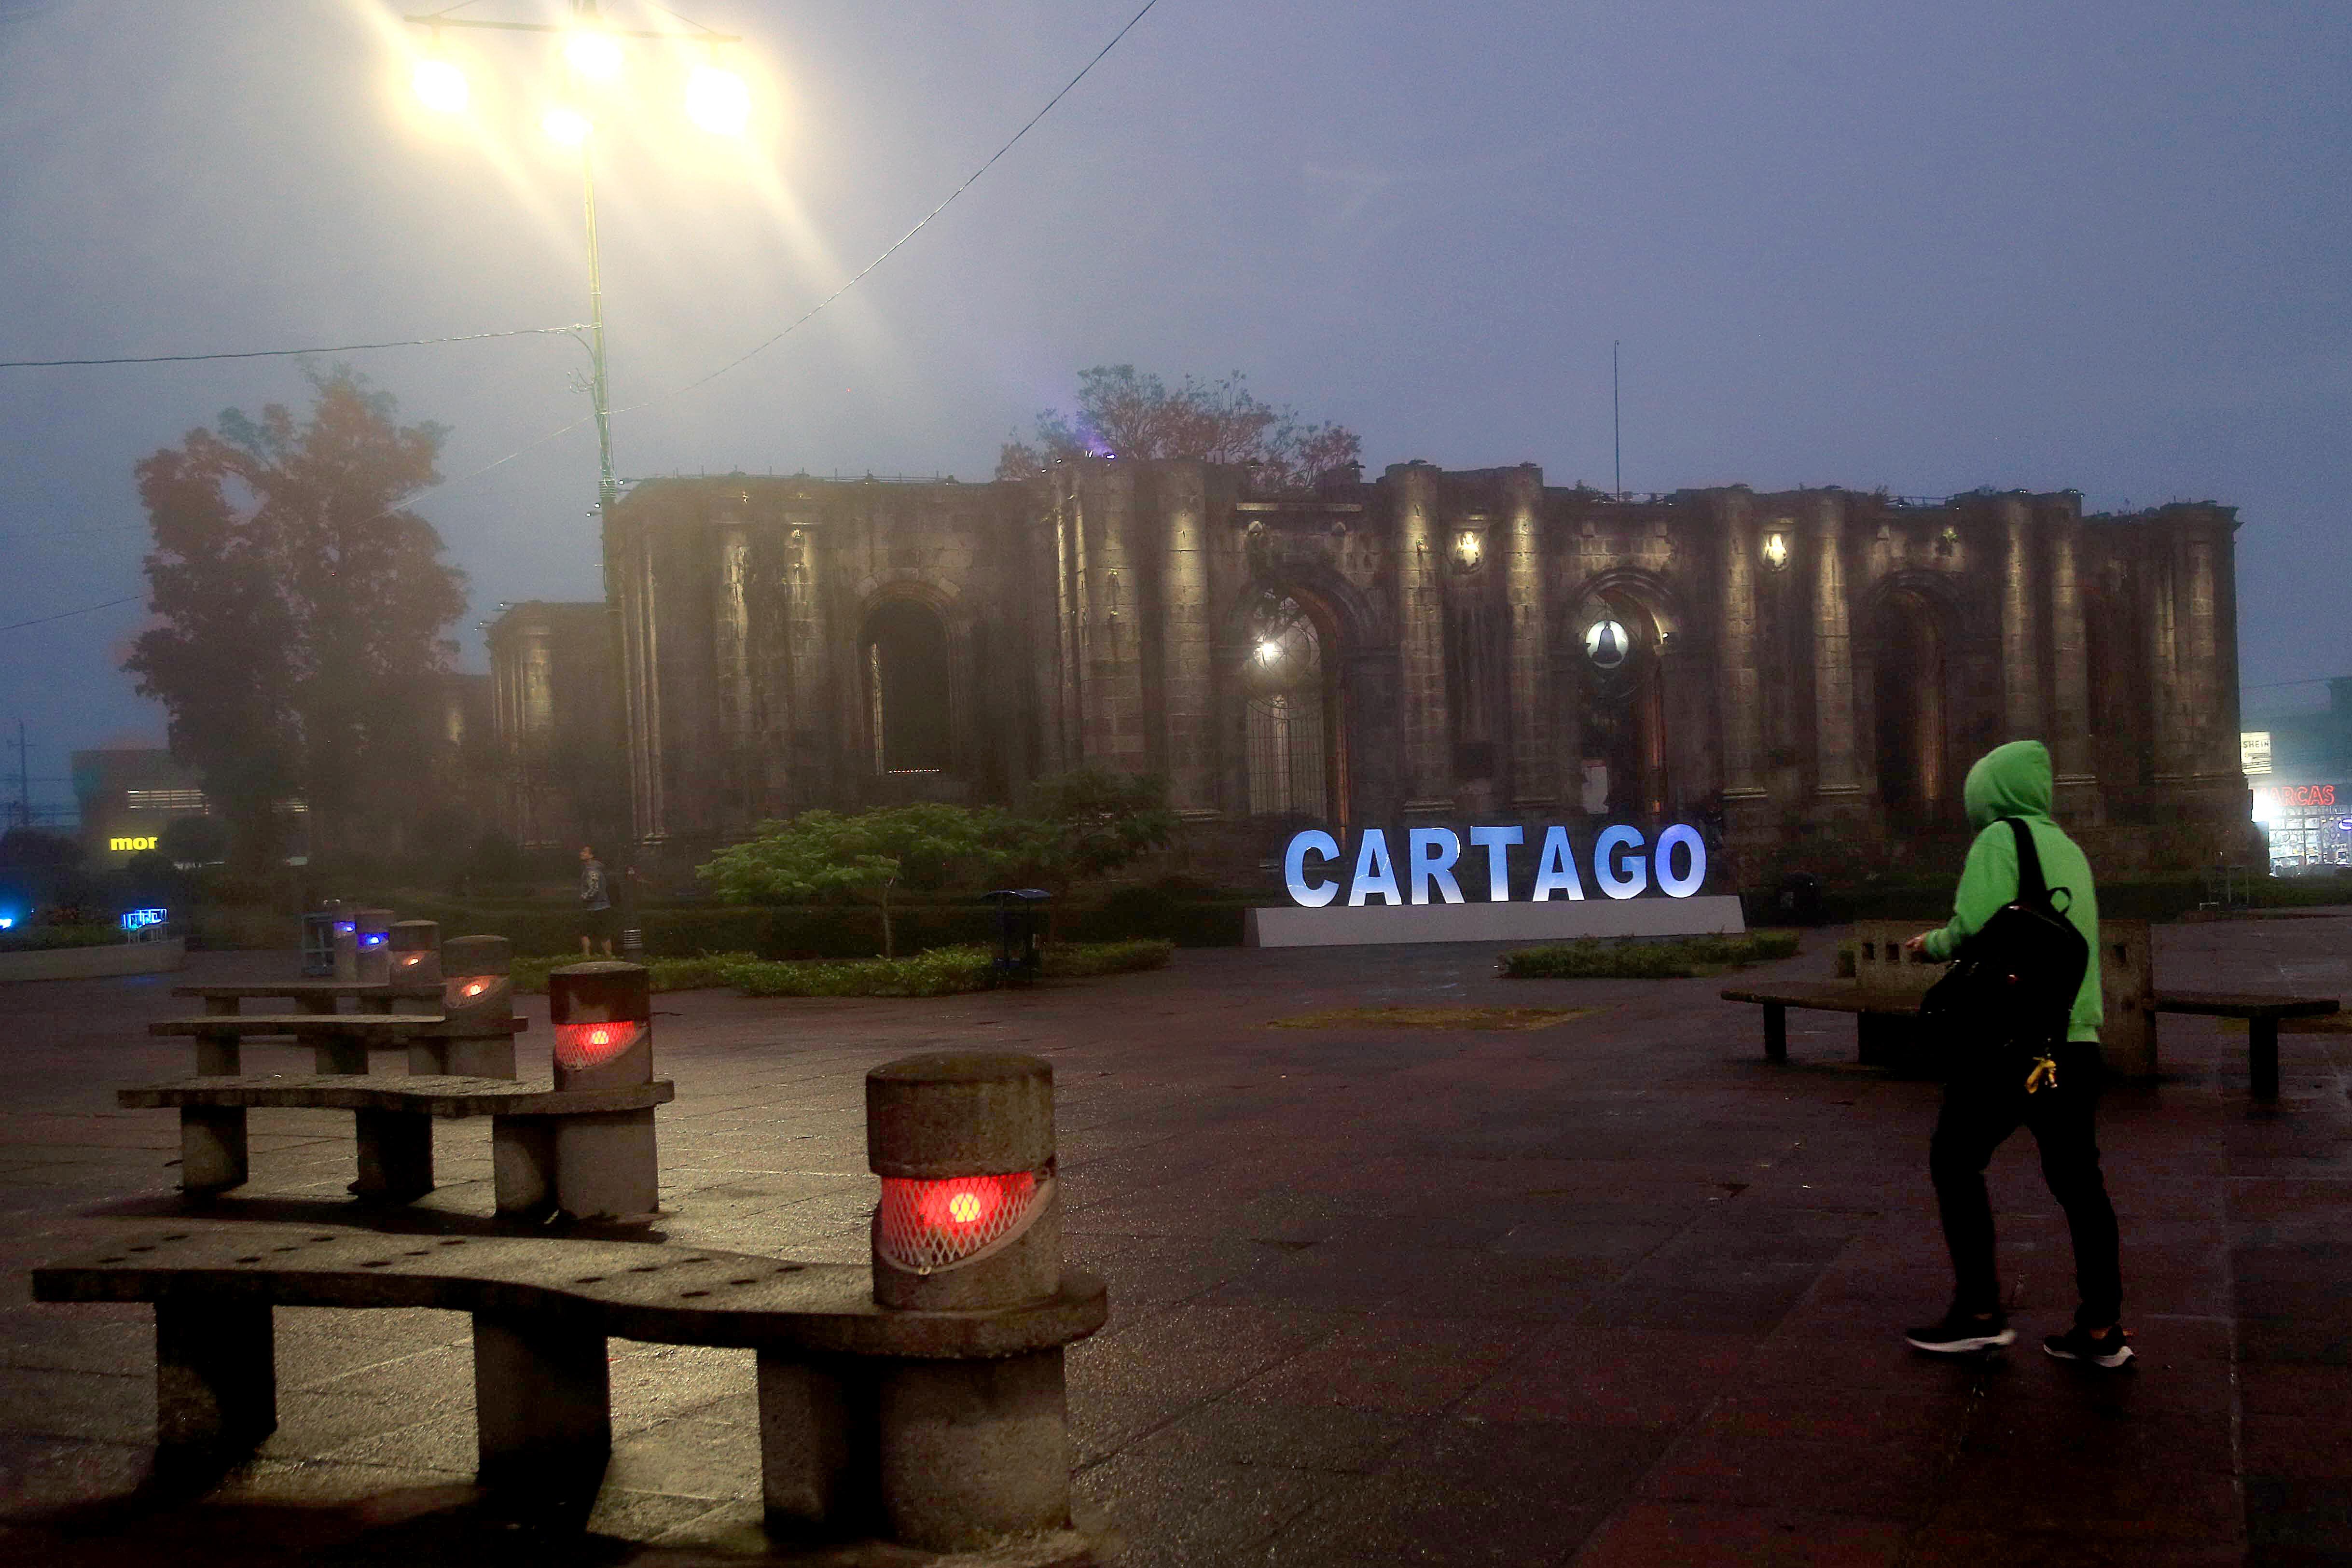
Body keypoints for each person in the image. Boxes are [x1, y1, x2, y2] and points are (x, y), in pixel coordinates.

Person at [1901, 740, 2131, 1369]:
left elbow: (1974, 927)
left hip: (2009, 1044)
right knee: (2080, 1186)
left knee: (1954, 1162)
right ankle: (2100, 1328)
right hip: (2073, 1039)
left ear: (1989, 791)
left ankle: (1977, 1313)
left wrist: (1928, 945)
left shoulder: (1997, 840)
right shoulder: (2067, 847)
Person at [578, 844, 614, 957]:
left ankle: (587, 957)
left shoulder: (591, 870)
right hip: (603, 906)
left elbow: (594, 888)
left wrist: (584, 897)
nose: (582, 854)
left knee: (584, 933)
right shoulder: (598, 869)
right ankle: (609, 957)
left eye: (585, 852)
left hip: (594, 907)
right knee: (604, 934)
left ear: (592, 855)